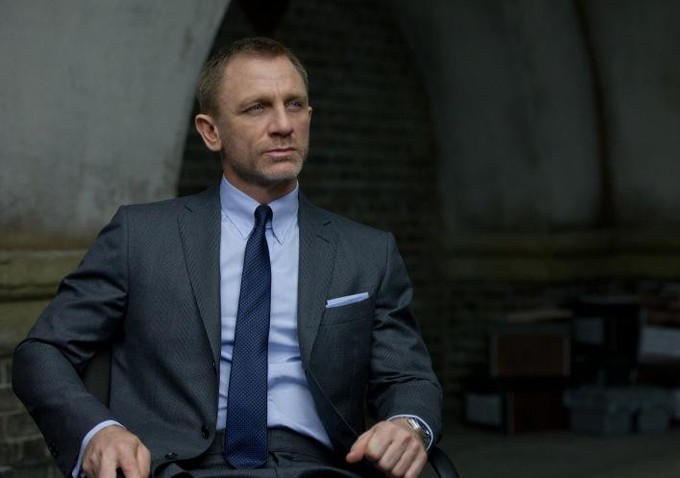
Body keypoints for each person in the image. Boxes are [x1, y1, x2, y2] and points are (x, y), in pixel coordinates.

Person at [12, 37, 442, 478]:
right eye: (257, 107)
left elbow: (409, 378)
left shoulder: (367, 252)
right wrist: (98, 432)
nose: (283, 124)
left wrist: (408, 425)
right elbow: (42, 353)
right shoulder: (140, 236)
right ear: (210, 131)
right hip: (177, 467)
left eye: (295, 105)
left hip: (319, 466)